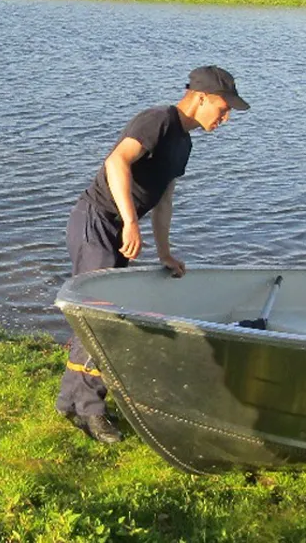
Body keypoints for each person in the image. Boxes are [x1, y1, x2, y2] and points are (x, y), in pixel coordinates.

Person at [55, 66, 250, 443]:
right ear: (201, 97)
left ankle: (70, 402)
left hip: (115, 227)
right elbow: (117, 162)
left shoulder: (184, 144)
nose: (225, 118)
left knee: (98, 315)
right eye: (223, 109)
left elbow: (164, 200)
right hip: (96, 221)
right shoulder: (157, 120)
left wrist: (164, 252)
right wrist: (130, 221)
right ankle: (91, 411)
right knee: (100, 317)